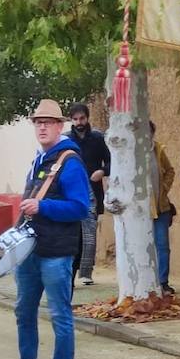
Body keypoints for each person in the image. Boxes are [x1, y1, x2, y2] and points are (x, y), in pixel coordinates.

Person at [0, 99, 90, 359]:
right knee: (24, 312)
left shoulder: (70, 161)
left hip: (56, 252)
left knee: (60, 315)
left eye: (48, 122)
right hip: (30, 250)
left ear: (60, 126)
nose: (42, 127)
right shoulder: (41, 159)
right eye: (38, 122)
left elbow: (80, 207)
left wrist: (42, 206)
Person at [68, 102, 111, 286]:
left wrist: (102, 171)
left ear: (87, 118)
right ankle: (70, 274)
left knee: (90, 235)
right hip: (71, 194)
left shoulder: (98, 138)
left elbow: (111, 162)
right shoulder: (66, 141)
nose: (79, 122)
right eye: (76, 119)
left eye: (82, 118)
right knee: (74, 235)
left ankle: (86, 273)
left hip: (93, 192)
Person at [149, 121, 176, 296]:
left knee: (162, 245)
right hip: (142, 211)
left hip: (161, 207)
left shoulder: (158, 150)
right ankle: (147, 280)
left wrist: (164, 189)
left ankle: (163, 282)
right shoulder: (132, 153)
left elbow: (170, 171)